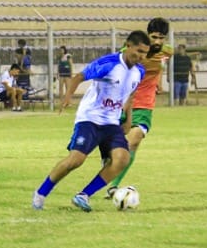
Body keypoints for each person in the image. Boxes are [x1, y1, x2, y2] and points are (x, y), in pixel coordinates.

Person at [31, 30, 150, 211]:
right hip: (90, 119)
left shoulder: (139, 71)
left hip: (111, 122)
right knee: (76, 160)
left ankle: (83, 195)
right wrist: (67, 97)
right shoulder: (109, 63)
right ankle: (41, 193)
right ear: (128, 45)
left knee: (122, 158)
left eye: (145, 53)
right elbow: (79, 76)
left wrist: (128, 119)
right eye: (139, 51)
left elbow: (130, 94)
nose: (141, 56)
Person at [100, 17, 173, 194]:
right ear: (147, 35)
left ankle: (113, 185)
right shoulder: (131, 51)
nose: (157, 41)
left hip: (144, 105)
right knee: (119, 144)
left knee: (134, 141)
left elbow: (158, 67)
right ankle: (109, 164)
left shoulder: (167, 52)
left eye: (162, 37)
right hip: (123, 101)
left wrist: (158, 84)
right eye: (154, 36)